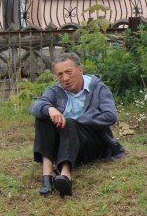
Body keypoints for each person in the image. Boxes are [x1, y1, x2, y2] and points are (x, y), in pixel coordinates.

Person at [29, 52, 125, 198]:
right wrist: (50, 109)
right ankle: (47, 175)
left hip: (91, 146)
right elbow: (35, 106)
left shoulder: (98, 88)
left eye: (68, 72)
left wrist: (78, 121)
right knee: (43, 116)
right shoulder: (55, 90)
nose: (65, 78)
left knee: (70, 123)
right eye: (60, 74)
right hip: (64, 146)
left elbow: (110, 116)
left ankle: (65, 175)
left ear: (80, 69)